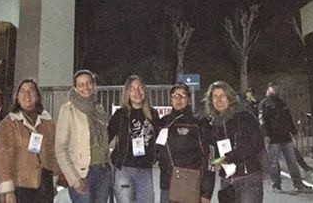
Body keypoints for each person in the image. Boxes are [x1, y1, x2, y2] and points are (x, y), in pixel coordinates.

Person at [0, 79, 59, 203]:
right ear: (17, 97)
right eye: (23, 91)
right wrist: (8, 191)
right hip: (20, 187)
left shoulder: (48, 122)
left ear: (37, 96)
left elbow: (53, 151)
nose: (27, 94)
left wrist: (55, 178)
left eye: (31, 90)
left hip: (45, 186)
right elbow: (2, 159)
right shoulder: (8, 123)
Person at [55, 70, 112, 203]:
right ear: (75, 88)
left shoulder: (99, 109)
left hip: (102, 171)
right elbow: (60, 148)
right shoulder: (68, 110)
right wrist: (73, 179)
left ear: (94, 85)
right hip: (81, 174)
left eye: (88, 83)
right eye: (80, 85)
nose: (85, 88)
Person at [206, 81, 264, 203]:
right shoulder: (213, 123)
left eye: (222, 96)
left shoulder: (244, 117)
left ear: (230, 97)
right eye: (215, 96)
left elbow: (255, 145)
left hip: (248, 178)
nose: (219, 100)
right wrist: (215, 161)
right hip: (227, 180)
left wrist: (227, 158)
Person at [156, 83, 214, 203]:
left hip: (190, 184)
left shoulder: (199, 123)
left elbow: (209, 157)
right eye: (175, 95)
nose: (178, 99)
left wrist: (206, 192)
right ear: (170, 99)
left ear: (189, 99)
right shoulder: (163, 122)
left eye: (183, 95)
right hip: (167, 185)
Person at [108, 75, 160, 203]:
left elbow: (159, 139)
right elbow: (106, 137)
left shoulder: (153, 114)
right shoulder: (120, 114)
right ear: (127, 93)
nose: (137, 92)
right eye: (132, 89)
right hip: (124, 169)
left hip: (145, 170)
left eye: (140, 88)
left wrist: (156, 157)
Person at [258, 82, 312, 194]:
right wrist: (266, 135)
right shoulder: (264, 104)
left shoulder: (281, 102)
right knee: (274, 163)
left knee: (292, 161)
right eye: (273, 87)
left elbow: (288, 118)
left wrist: (293, 131)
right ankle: (276, 186)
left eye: (276, 87)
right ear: (268, 89)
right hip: (273, 138)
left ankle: (298, 184)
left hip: (285, 137)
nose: (275, 89)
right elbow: (262, 122)